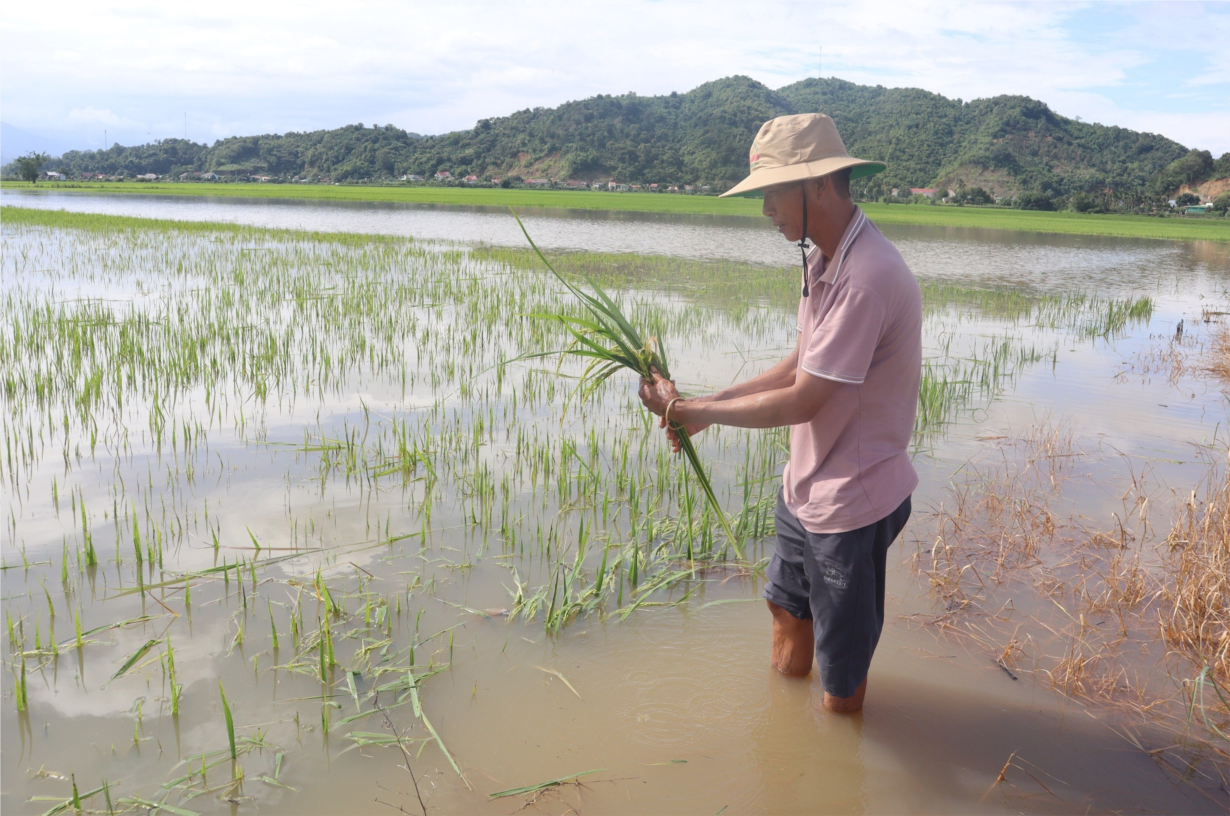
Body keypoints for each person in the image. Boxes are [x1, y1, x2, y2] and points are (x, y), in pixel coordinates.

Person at [638, 113, 921, 713]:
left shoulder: (867, 276)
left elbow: (803, 399)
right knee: (785, 606)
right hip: (806, 487)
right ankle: (790, 747)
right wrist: (700, 406)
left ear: (818, 184)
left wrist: (694, 413)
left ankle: (838, 749)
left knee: (841, 664)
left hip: (852, 500)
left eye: (772, 191)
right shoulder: (823, 259)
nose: (765, 208)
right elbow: (799, 365)